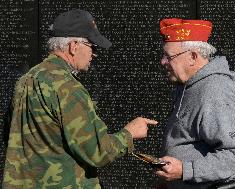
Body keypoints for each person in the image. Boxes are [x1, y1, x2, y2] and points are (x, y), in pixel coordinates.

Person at [2, 9, 157, 189]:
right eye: (93, 46)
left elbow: (10, 135)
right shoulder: (67, 87)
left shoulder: (25, 80)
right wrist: (129, 133)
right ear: (74, 46)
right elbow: (96, 152)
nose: (94, 54)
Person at [155, 18, 235, 189]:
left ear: (193, 56)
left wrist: (184, 170)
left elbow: (234, 156)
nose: (163, 62)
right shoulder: (186, 85)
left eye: (169, 56)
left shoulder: (216, 91)